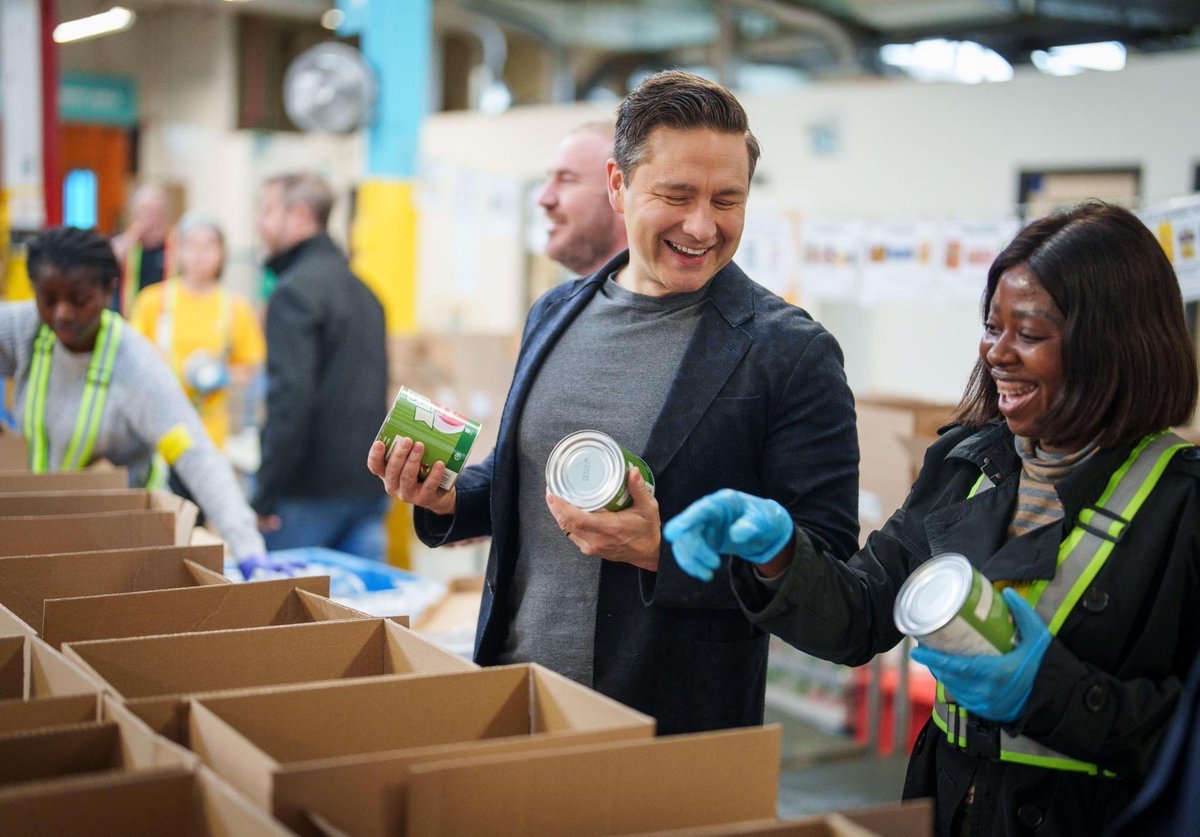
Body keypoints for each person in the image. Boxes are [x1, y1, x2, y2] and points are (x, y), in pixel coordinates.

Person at [665, 201, 1200, 835]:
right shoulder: (967, 464)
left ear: (1116, 346)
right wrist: (781, 557)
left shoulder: (1181, 504)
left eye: (1028, 334)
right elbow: (862, 615)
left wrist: (1050, 694)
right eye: (991, 326)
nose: (997, 353)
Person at [368, 70, 859, 735]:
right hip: (516, 697)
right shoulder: (555, 313)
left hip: (665, 726)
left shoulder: (789, 353)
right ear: (618, 185)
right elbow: (532, 480)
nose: (701, 224)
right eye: (677, 195)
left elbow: (830, 584)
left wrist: (662, 549)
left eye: (727, 200)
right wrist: (448, 497)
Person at [0, 226, 266, 559]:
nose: (62, 313)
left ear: (109, 290)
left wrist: (248, 549)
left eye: (79, 299)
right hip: (42, 527)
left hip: (123, 540)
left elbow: (195, 453)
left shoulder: (134, 365)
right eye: (47, 299)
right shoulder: (25, 329)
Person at [252, 172, 389, 561]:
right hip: (367, 491)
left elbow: (289, 400)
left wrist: (263, 496)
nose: (260, 225)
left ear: (299, 215)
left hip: (306, 498)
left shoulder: (292, 292)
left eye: (267, 212)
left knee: (292, 620)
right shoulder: (368, 294)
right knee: (364, 620)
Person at [129, 212, 265, 452]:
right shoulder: (153, 301)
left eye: (208, 246)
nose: (199, 255)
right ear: (178, 251)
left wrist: (222, 375)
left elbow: (250, 366)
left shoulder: (236, 308)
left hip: (211, 433)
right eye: (191, 245)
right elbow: (132, 358)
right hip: (159, 429)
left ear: (222, 252)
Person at [537, 121, 628, 276]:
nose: (544, 199)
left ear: (619, 190)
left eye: (566, 179)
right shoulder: (560, 300)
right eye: (549, 179)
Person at [110, 184, 176, 315]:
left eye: (157, 209)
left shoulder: (176, 243)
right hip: (128, 316)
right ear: (134, 212)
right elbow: (104, 263)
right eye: (145, 209)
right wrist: (130, 239)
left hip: (163, 318)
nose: (151, 216)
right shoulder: (124, 242)